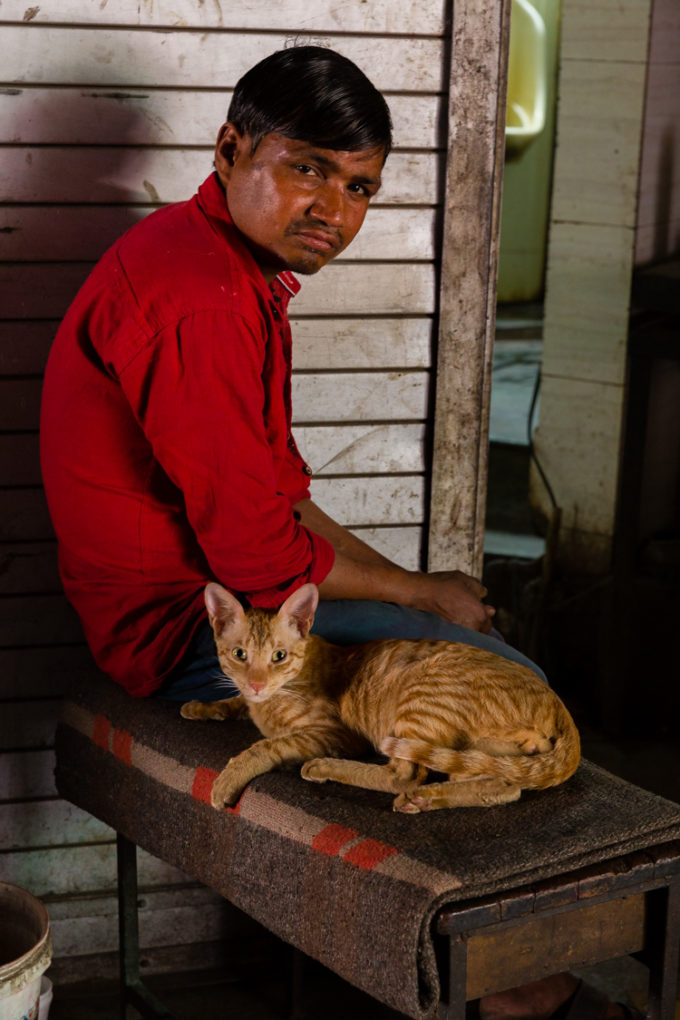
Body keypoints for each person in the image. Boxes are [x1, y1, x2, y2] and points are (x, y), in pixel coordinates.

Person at [40, 46, 635, 1020]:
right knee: (511, 690)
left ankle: (478, 973)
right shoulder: (198, 298)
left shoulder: (229, 271)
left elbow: (275, 497)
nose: (335, 209)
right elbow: (260, 564)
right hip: (182, 636)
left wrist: (415, 585)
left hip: (217, 598)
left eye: (358, 185)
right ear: (230, 148)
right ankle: (523, 991)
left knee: (477, 671)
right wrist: (412, 595)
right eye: (305, 168)